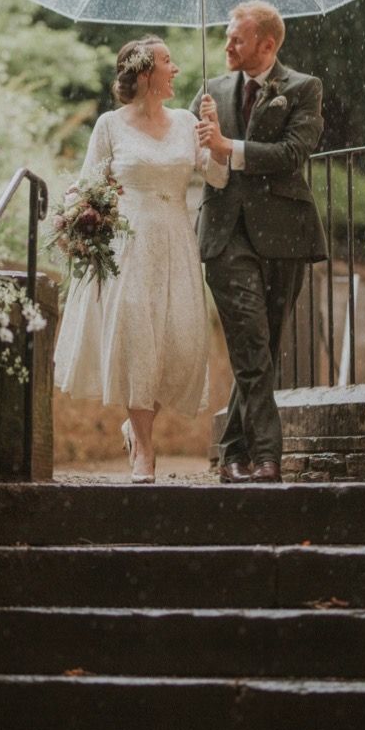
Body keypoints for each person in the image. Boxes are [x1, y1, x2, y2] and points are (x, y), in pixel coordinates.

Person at [54, 36, 228, 482]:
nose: (176, 68)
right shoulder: (111, 126)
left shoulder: (189, 121)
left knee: (171, 338)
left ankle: (137, 428)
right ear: (146, 72)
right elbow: (87, 183)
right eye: (168, 62)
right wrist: (72, 218)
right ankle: (144, 452)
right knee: (137, 335)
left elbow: (218, 177)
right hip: (127, 244)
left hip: (174, 241)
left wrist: (216, 136)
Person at [193, 1, 328, 483]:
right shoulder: (208, 93)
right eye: (228, 36)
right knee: (251, 339)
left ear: (267, 45)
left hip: (284, 236)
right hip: (225, 235)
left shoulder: (302, 88)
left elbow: (294, 154)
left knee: (264, 345)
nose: (227, 44)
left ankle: (232, 450)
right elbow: (199, 167)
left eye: (237, 38)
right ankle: (269, 455)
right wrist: (205, 143)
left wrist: (230, 148)